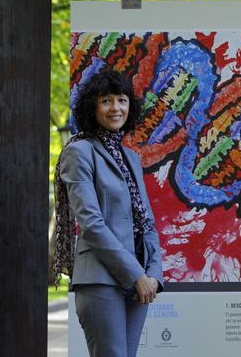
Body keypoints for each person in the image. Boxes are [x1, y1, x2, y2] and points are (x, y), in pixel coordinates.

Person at [52, 70, 163, 357]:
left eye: (122, 100)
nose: (116, 108)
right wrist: (135, 273)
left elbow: (146, 222)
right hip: (101, 280)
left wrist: (152, 274)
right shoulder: (79, 152)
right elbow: (90, 223)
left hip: (139, 280)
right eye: (106, 101)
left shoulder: (131, 158)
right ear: (93, 106)